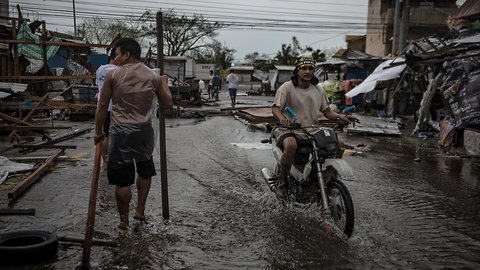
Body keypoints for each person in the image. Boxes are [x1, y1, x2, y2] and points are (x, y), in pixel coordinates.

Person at [94, 37, 172, 235]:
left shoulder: (114, 75)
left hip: (121, 132)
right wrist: (164, 83)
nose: (116, 59)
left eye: (118, 54)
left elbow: (102, 106)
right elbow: (167, 104)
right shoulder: (152, 76)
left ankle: (123, 223)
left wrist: (98, 132)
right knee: (144, 170)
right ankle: (140, 211)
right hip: (144, 131)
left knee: (122, 180)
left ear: (127, 54)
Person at [271, 54, 359, 199]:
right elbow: (275, 108)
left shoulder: (318, 89)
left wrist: (342, 117)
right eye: (304, 68)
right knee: (291, 145)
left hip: (311, 129)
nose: (307, 71)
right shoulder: (287, 87)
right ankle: (282, 182)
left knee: (339, 145)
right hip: (289, 128)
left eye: (310, 68)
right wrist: (282, 119)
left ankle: (320, 180)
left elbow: (328, 112)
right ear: (297, 70)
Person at [95, 48, 117, 170]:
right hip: (118, 107)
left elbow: (98, 85)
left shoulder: (101, 69)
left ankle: (105, 161)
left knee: (104, 134)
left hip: (103, 107)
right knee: (118, 134)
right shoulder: (120, 71)